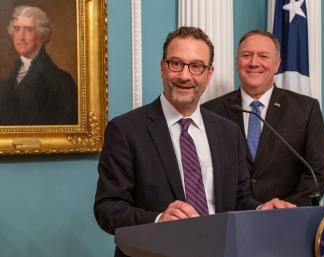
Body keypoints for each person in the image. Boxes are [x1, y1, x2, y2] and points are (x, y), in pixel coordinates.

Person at [94, 26, 295, 257]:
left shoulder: (228, 132)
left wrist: (261, 210)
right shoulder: (126, 130)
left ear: (209, 73)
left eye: (196, 66)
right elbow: (107, 209)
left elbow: (239, 200)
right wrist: (158, 220)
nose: (185, 76)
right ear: (162, 67)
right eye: (176, 63)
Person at [202, 30, 324, 206]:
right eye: (246, 55)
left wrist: (285, 209)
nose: (254, 63)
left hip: (287, 218)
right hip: (230, 219)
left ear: (277, 64)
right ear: (236, 62)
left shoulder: (306, 109)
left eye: (263, 56)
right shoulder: (210, 111)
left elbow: (319, 170)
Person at [0, 5, 77, 126]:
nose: (21, 37)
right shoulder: (5, 82)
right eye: (16, 29)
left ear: (43, 35)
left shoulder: (61, 82)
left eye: (28, 29)